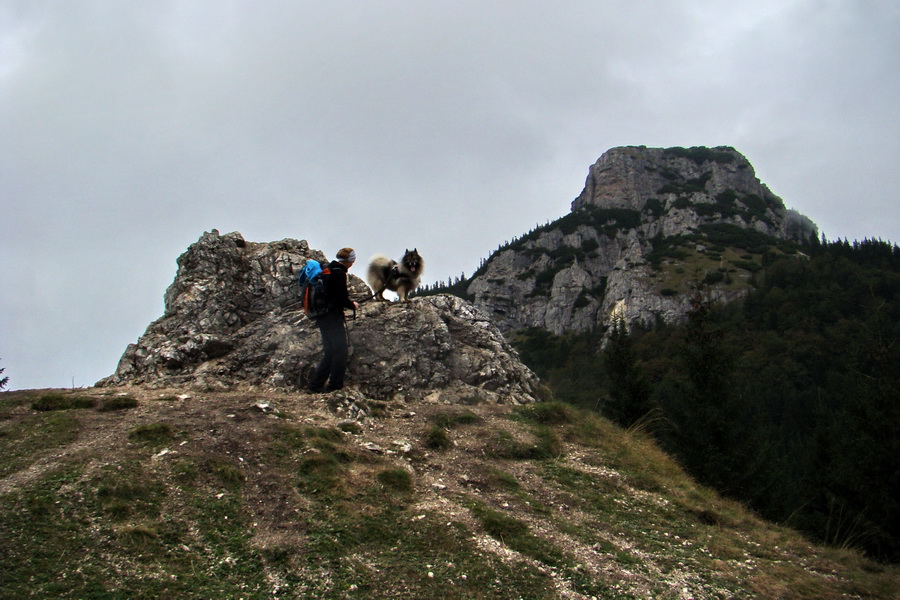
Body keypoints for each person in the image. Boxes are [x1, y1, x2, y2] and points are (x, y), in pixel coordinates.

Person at [307, 247, 359, 393]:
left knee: (330, 351)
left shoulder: (328, 270)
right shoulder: (339, 274)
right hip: (333, 316)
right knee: (341, 351)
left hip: (322, 315)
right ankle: (335, 386)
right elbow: (340, 298)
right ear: (351, 261)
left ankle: (315, 385)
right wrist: (352, 305)